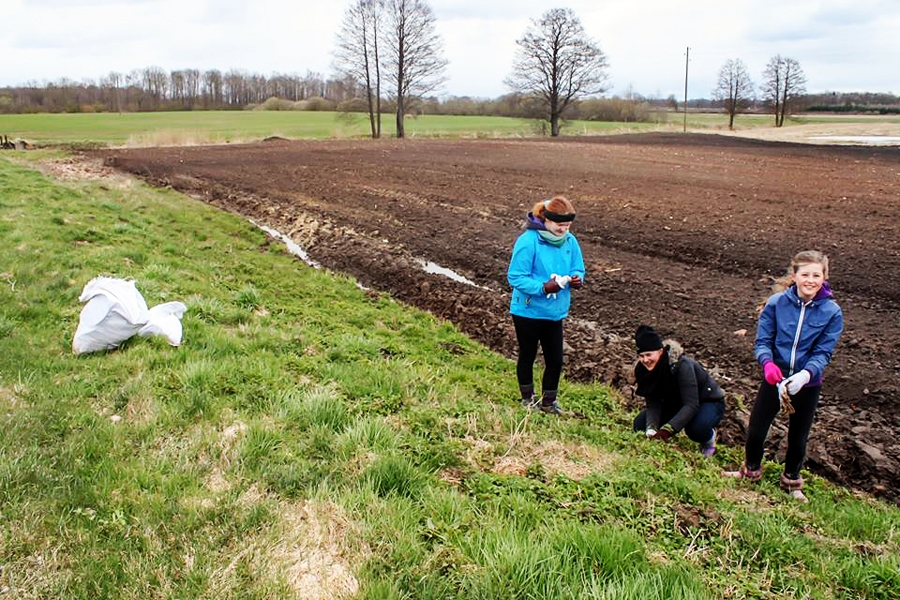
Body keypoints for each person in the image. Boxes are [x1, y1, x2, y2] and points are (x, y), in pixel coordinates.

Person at [724, 250, 844, 502]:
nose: (810, 280)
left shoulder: (832, 312)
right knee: (756, 430)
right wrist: (767, 364)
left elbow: (823, 352)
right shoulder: (777, 303)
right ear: (795, 276)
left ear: (824, 277)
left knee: (798, 436)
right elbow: (763, 341)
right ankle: (751, 472)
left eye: (816, 275)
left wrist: (805, 376)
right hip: (774, 379)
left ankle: (791, 482)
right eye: (805, 274)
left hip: (807, 384)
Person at [507, 196, 585, 415]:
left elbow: (578, 268)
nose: (564, 230)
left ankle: (549, 402)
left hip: (554, 312)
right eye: (560, 225)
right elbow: (515, 277)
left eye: (567, 226)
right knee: (528, 355)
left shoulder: (570, 242)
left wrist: (577, 278)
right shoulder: (528, 241)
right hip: (528, 310)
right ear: (546, 220)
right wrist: (544, 287)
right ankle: (527, 400)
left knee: (555, 360)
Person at [631, 325, 725, 457]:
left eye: (649, 355)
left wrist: (667, 430)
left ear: (660, 351)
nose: (645, 360)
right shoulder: (643, 371)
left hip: (706, 401)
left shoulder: (681, 366)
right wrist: (651, 429)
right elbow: (653, 403)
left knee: (696, 429)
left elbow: (691, 404)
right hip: (675, 402)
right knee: (640, 424)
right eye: (641, 356)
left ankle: (709, 440)